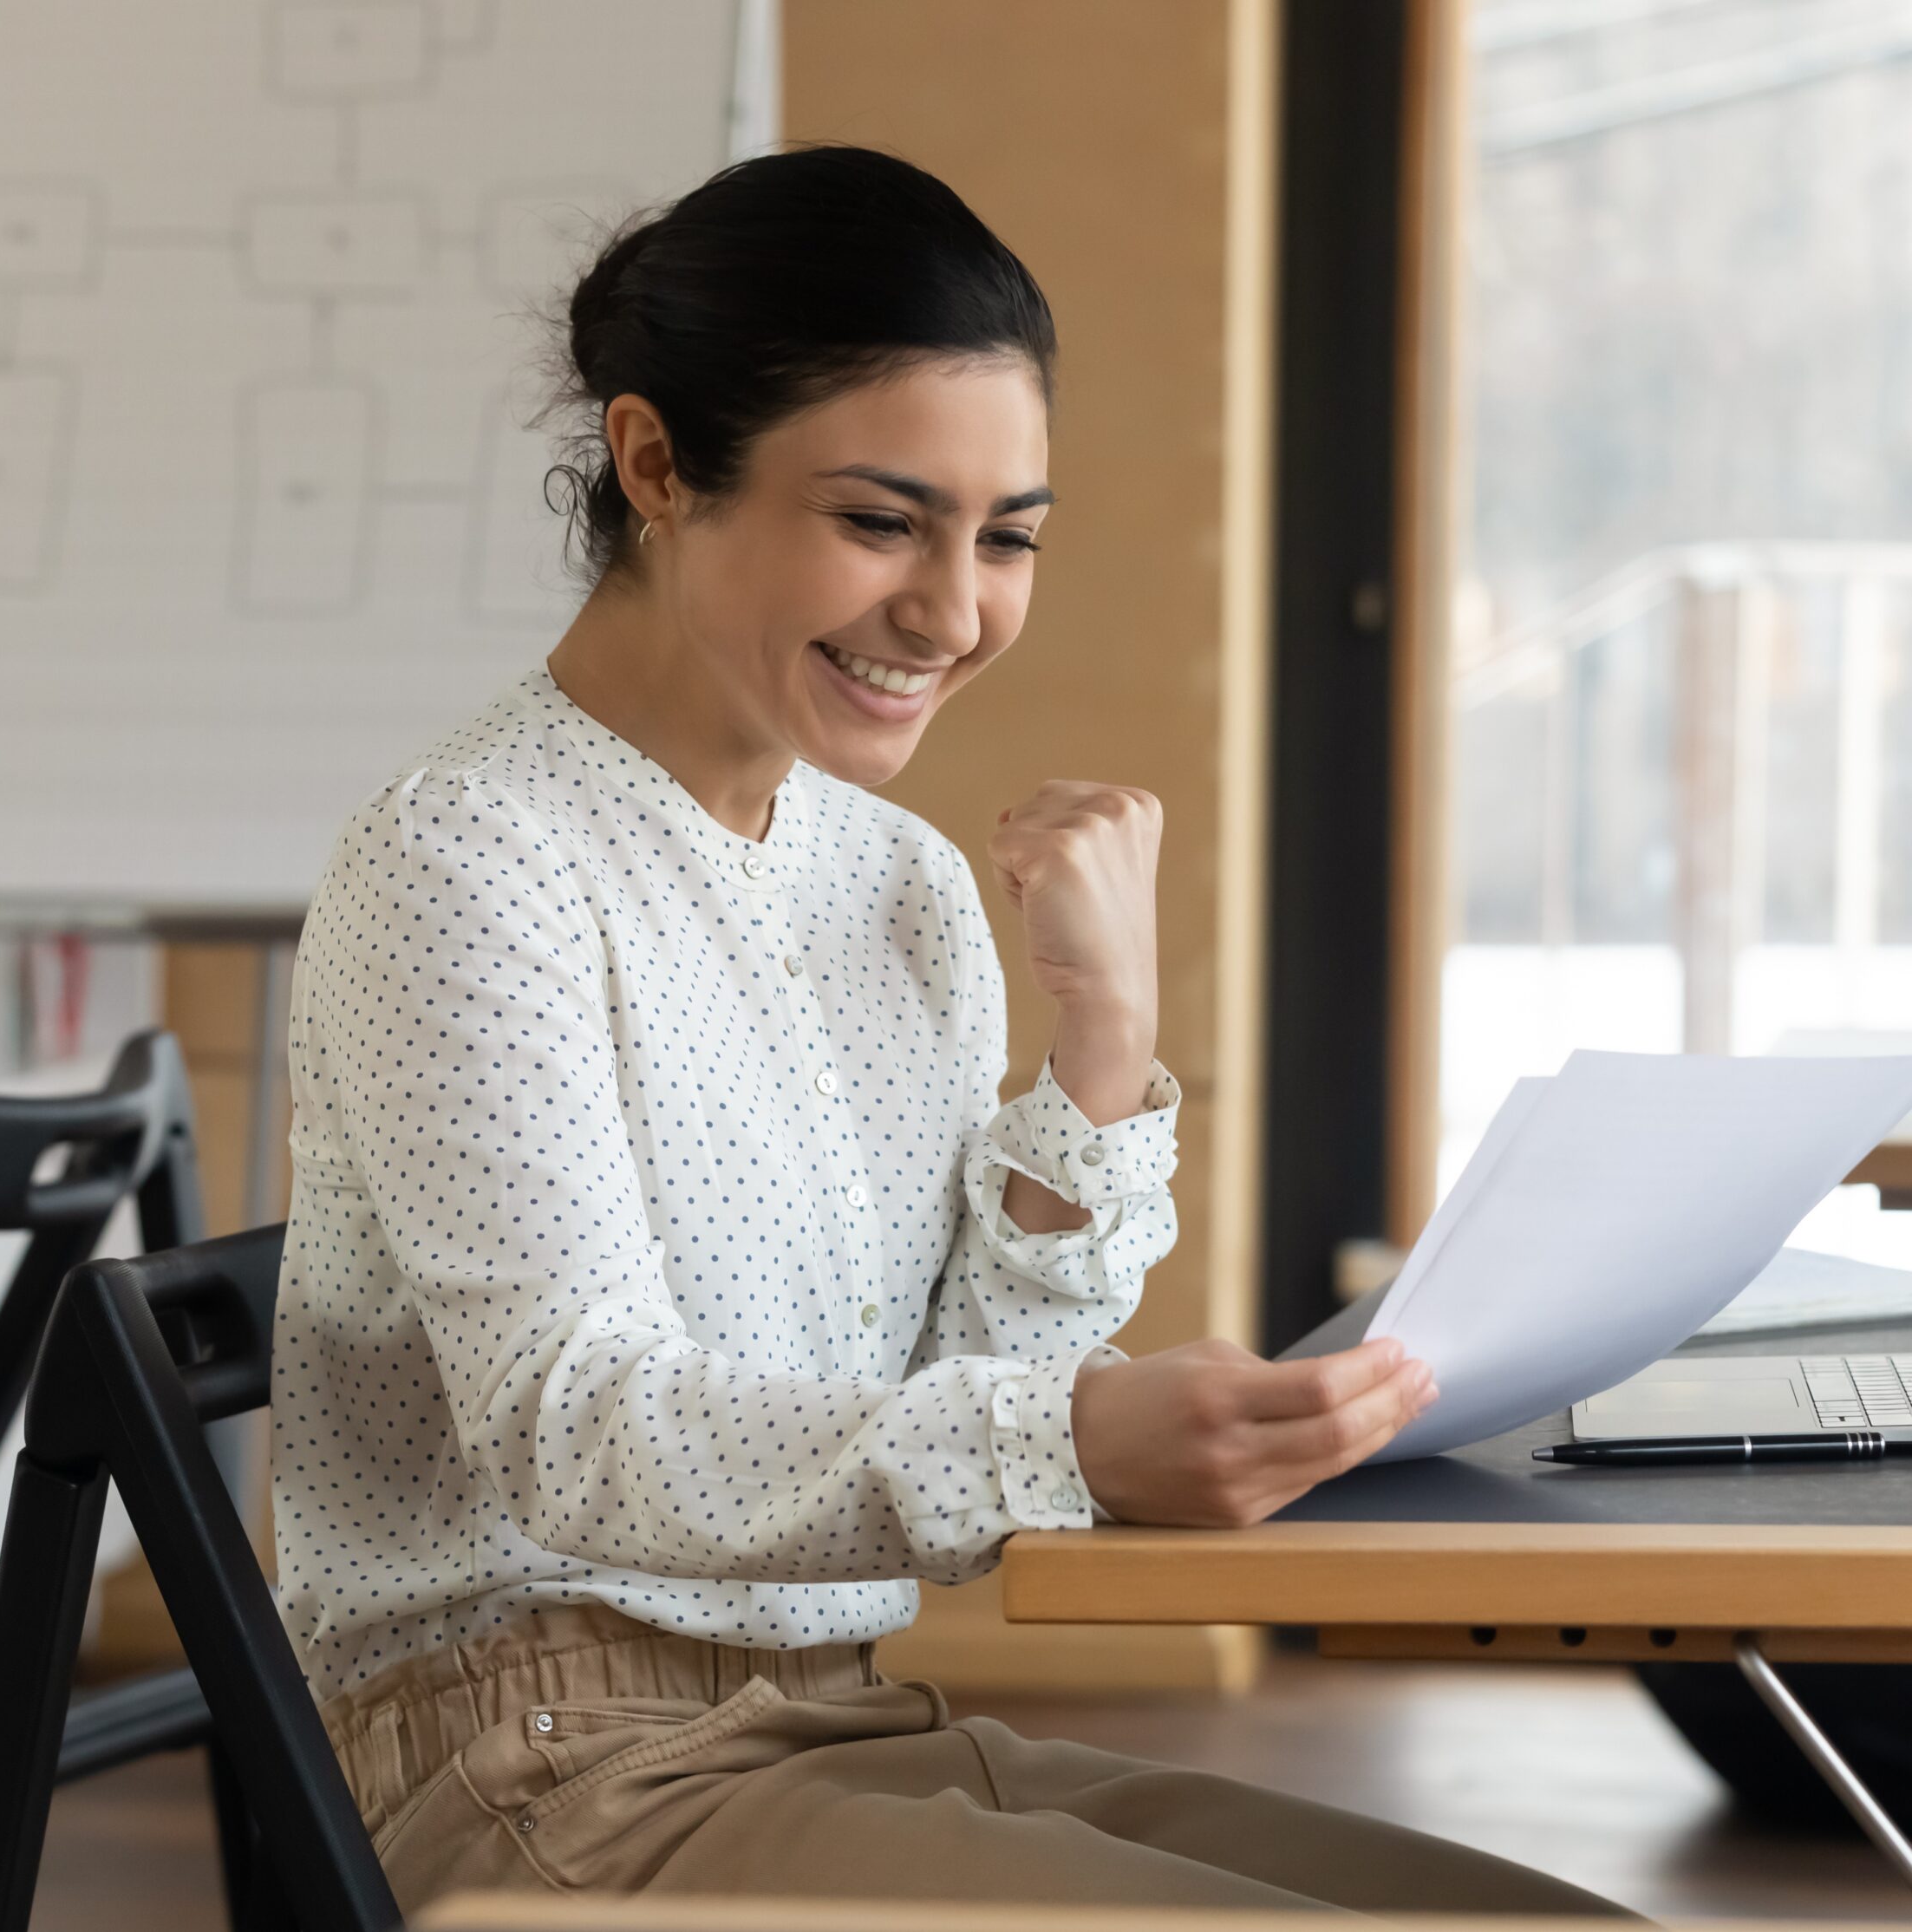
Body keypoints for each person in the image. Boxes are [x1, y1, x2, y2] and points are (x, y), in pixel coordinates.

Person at [272, 142, 1628, 1918]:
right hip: (546, 1779)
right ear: (655, 460)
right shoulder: (471, 858)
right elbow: (579, 1434)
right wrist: (1073, 1436)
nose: (952, 609)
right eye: (878, 520)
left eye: (1004, 539)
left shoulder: (898, 881)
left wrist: (1103, 1031)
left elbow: (949, 1383)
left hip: (847, 1726)